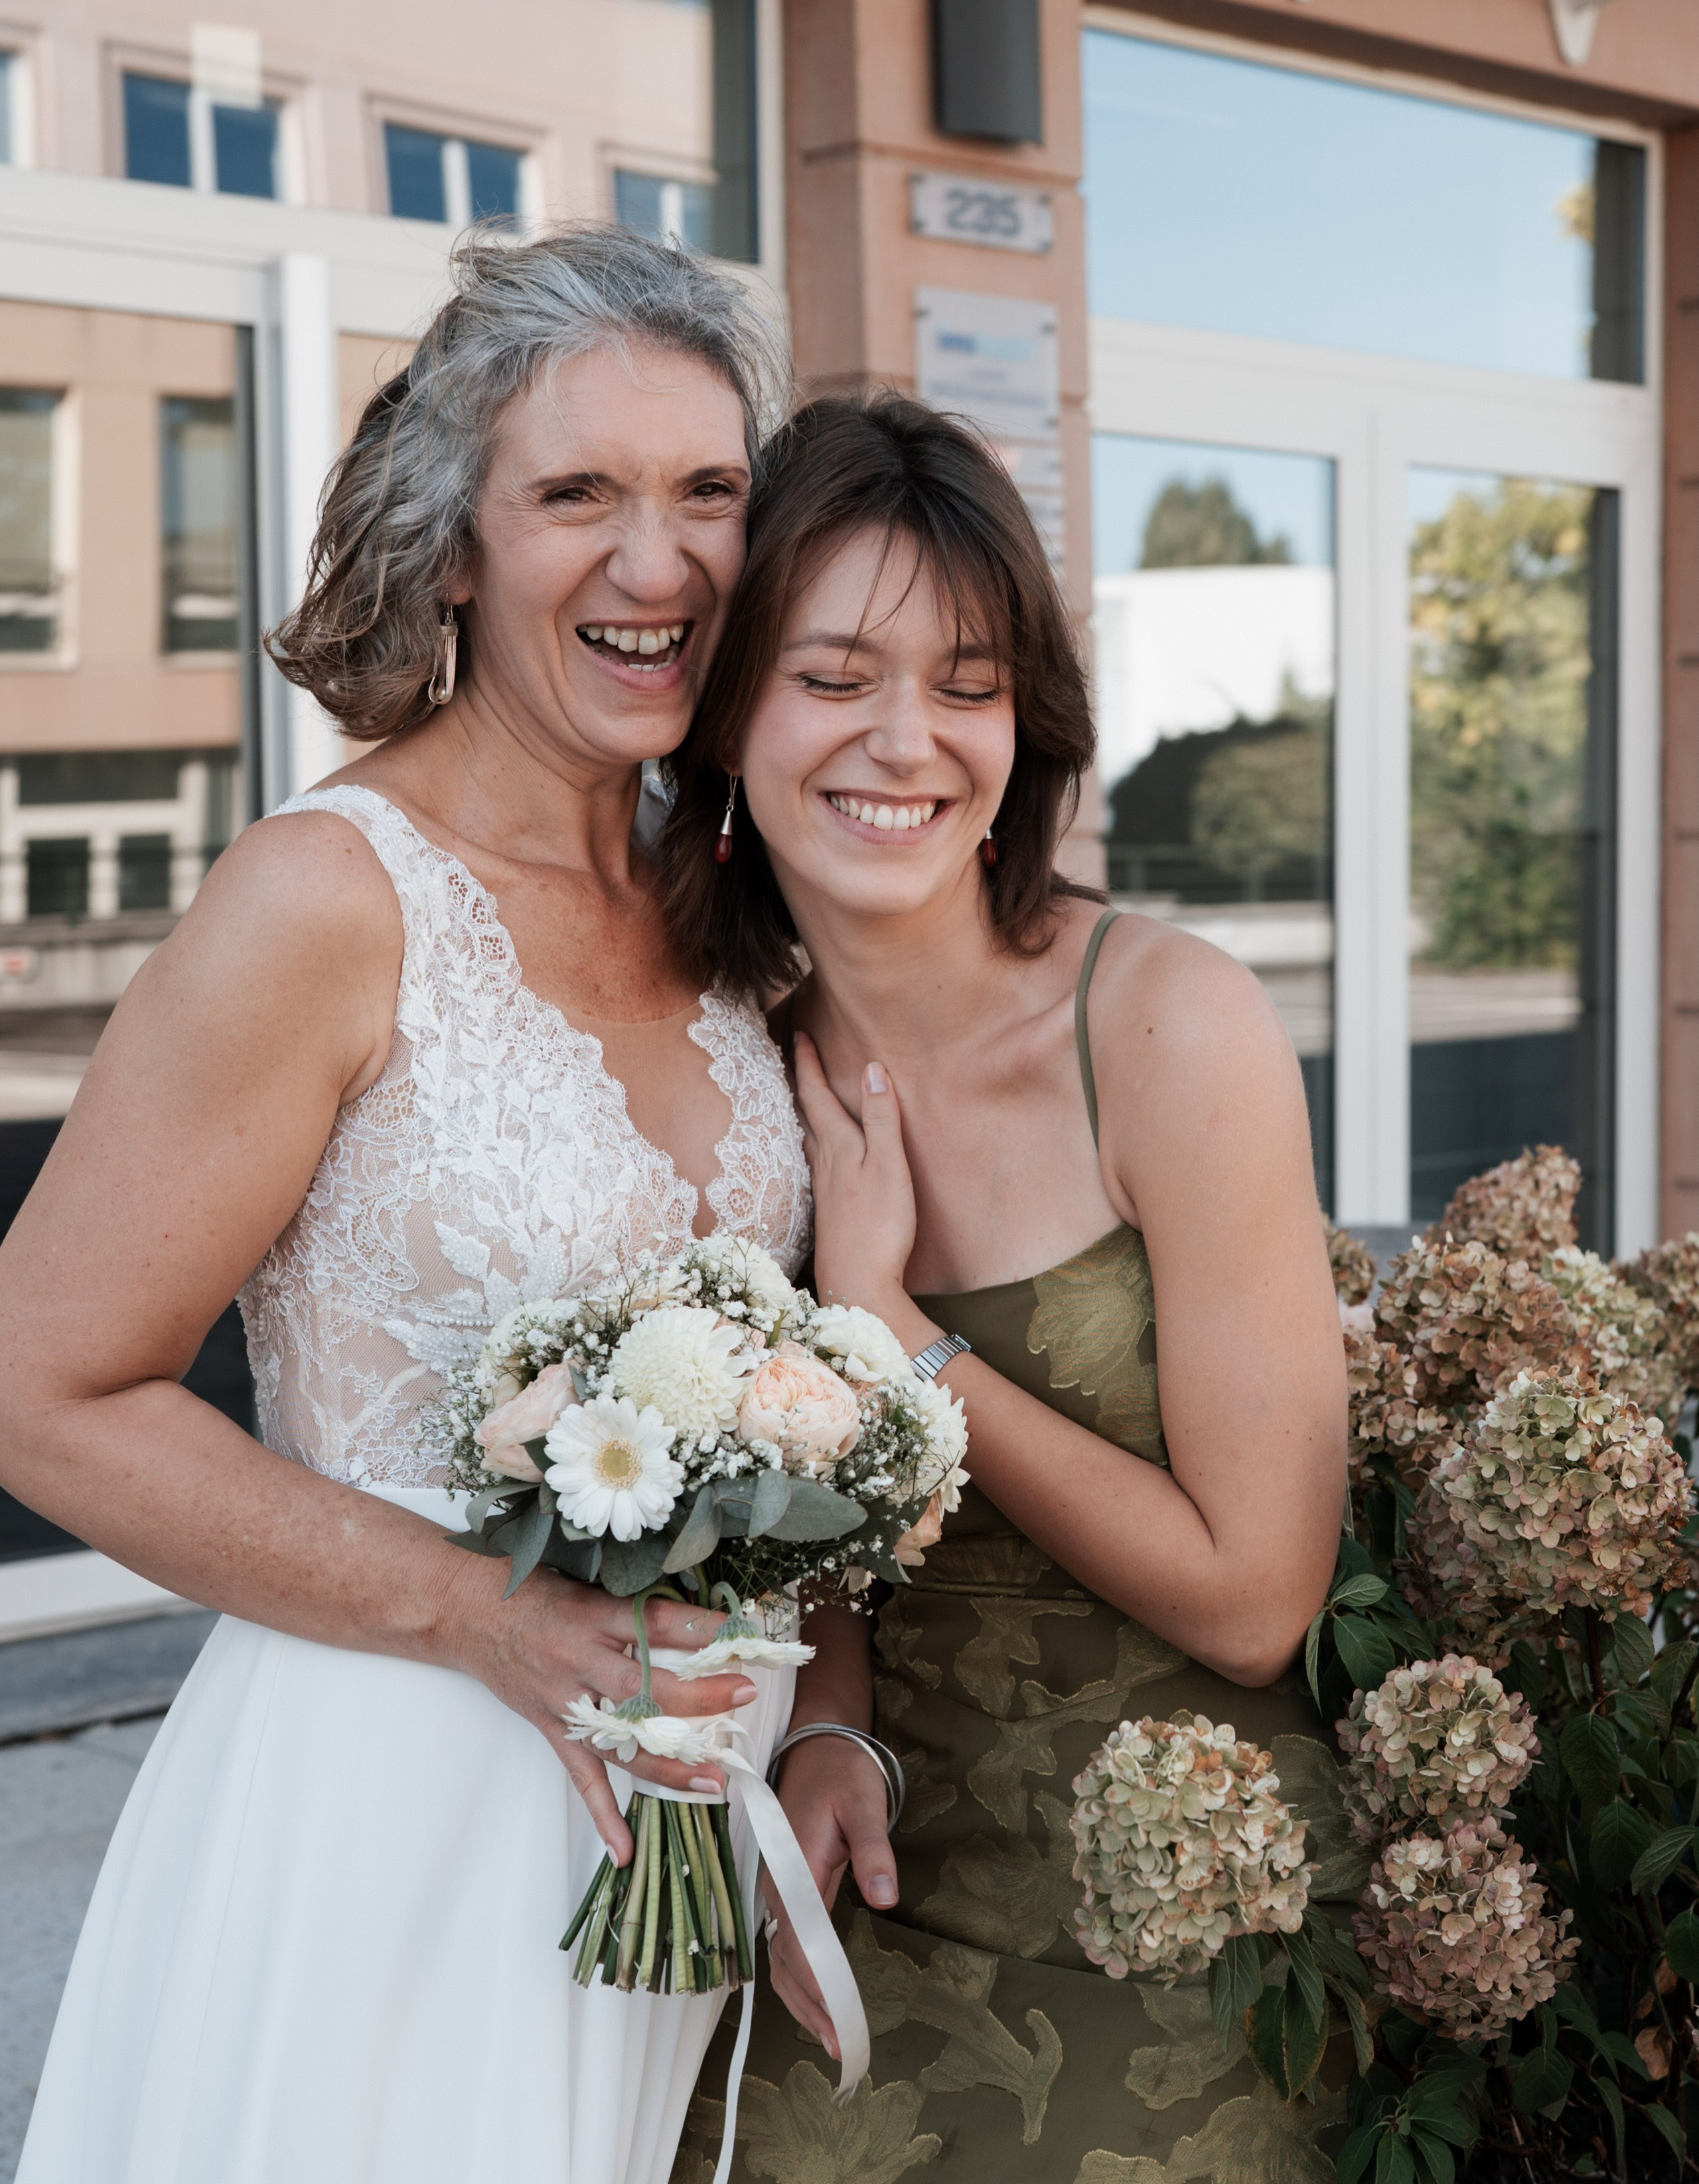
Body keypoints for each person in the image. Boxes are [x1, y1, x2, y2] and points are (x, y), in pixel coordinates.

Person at [0, 226, 813, 2184]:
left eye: (709, 492)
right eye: (577, 494)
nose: (658, 564)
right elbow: (39, 1389)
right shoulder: (325, 898)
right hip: (386, 1813)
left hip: (686, 1829)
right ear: (453, 545)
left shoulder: (731, 897)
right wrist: (484, 1617)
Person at [656, 394, 1354, 2181]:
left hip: (1187, 1914)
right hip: (882, 1860)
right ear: (726, 713)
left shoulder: (1166, 1024)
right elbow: (795, 1505)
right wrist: (833, 1722)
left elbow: (1258, 1599)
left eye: (966, 684)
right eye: (835, 675)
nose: (906, 740)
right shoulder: (731, 1067)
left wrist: (899, 1334)